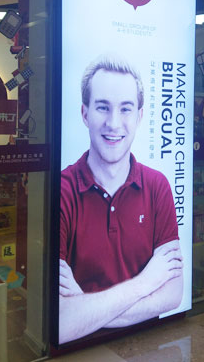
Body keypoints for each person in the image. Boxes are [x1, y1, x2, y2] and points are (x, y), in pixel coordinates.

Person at [59, 55, 183, 344]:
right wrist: (147, 282)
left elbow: (173, 293)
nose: (114, 123)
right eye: (103, 107)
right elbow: (62, 322)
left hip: (149, 344)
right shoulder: (61, 192)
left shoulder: (157, 186)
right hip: (81, 352)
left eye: (125, 109)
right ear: (85, 114)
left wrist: (85, 310)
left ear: (139, 116)